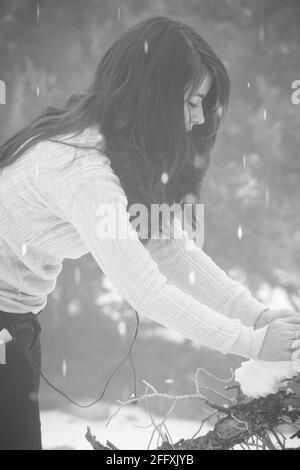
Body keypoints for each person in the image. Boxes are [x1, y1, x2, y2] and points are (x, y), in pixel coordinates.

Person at [0, 15, 299, 450]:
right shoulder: (82, 168)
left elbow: (170, 249)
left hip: (16, 320)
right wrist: (252, 342)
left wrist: (256, 316)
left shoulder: (116, 150)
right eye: (190, 101)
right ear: (152, 98)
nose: (198, 119)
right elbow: (145, 289)